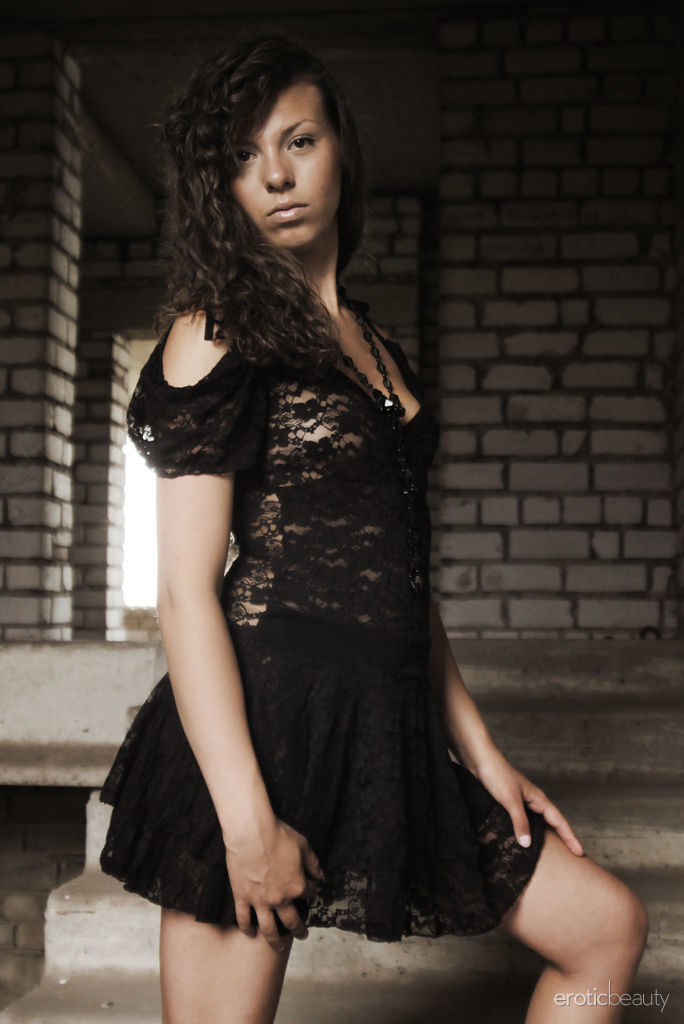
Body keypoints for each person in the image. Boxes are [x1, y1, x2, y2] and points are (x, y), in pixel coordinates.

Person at [99, 33, 649, 1024]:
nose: (276, 175)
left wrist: (484, 754)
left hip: (387, 724)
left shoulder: (378, 345)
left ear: (341, 150)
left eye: (299, 140)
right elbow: (184, 592)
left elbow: (397, 577)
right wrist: (246, 823)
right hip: (262, 729)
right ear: (220, 184)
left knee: (606, 930)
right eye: (244, 155)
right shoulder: (217, 328)